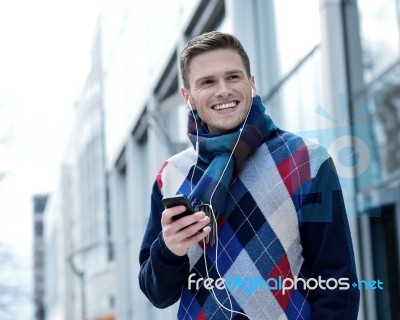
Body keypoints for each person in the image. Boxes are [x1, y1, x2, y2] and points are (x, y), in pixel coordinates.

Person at [139, 31, 360, 319]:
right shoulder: (170, 176)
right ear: (188, 97)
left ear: (251, 83)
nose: (223, 90)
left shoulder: (307, 160)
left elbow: (337, 281)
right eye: (207, 82)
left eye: (233, 77)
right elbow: (158, 294)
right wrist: (169, 249)